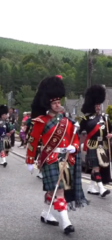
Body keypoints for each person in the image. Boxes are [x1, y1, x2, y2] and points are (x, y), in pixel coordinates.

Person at [26, 75, 88, 235]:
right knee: (59, 191)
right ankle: (66, 222)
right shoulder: (40, 121)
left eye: (58, 102)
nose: (57, 105)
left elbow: (74, 139)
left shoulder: (67, 122)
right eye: (54, 103)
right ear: (48, 104)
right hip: (50, 159)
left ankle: (46, 213)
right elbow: (33, 141)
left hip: (65, 160)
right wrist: (29, 160)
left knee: (53, 190)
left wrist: (74, 147)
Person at [79, 85, 111, 197]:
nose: (98, 107)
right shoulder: (85, 119)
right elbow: (78, 131)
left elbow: (109, 131)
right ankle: (101, 188)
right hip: (92, 145)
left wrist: (110, 135)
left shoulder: (105, 118)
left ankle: (92, 187)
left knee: (97, 167)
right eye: (96, 105)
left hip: (103, 146)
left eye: (99, 105)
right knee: (96, 167)